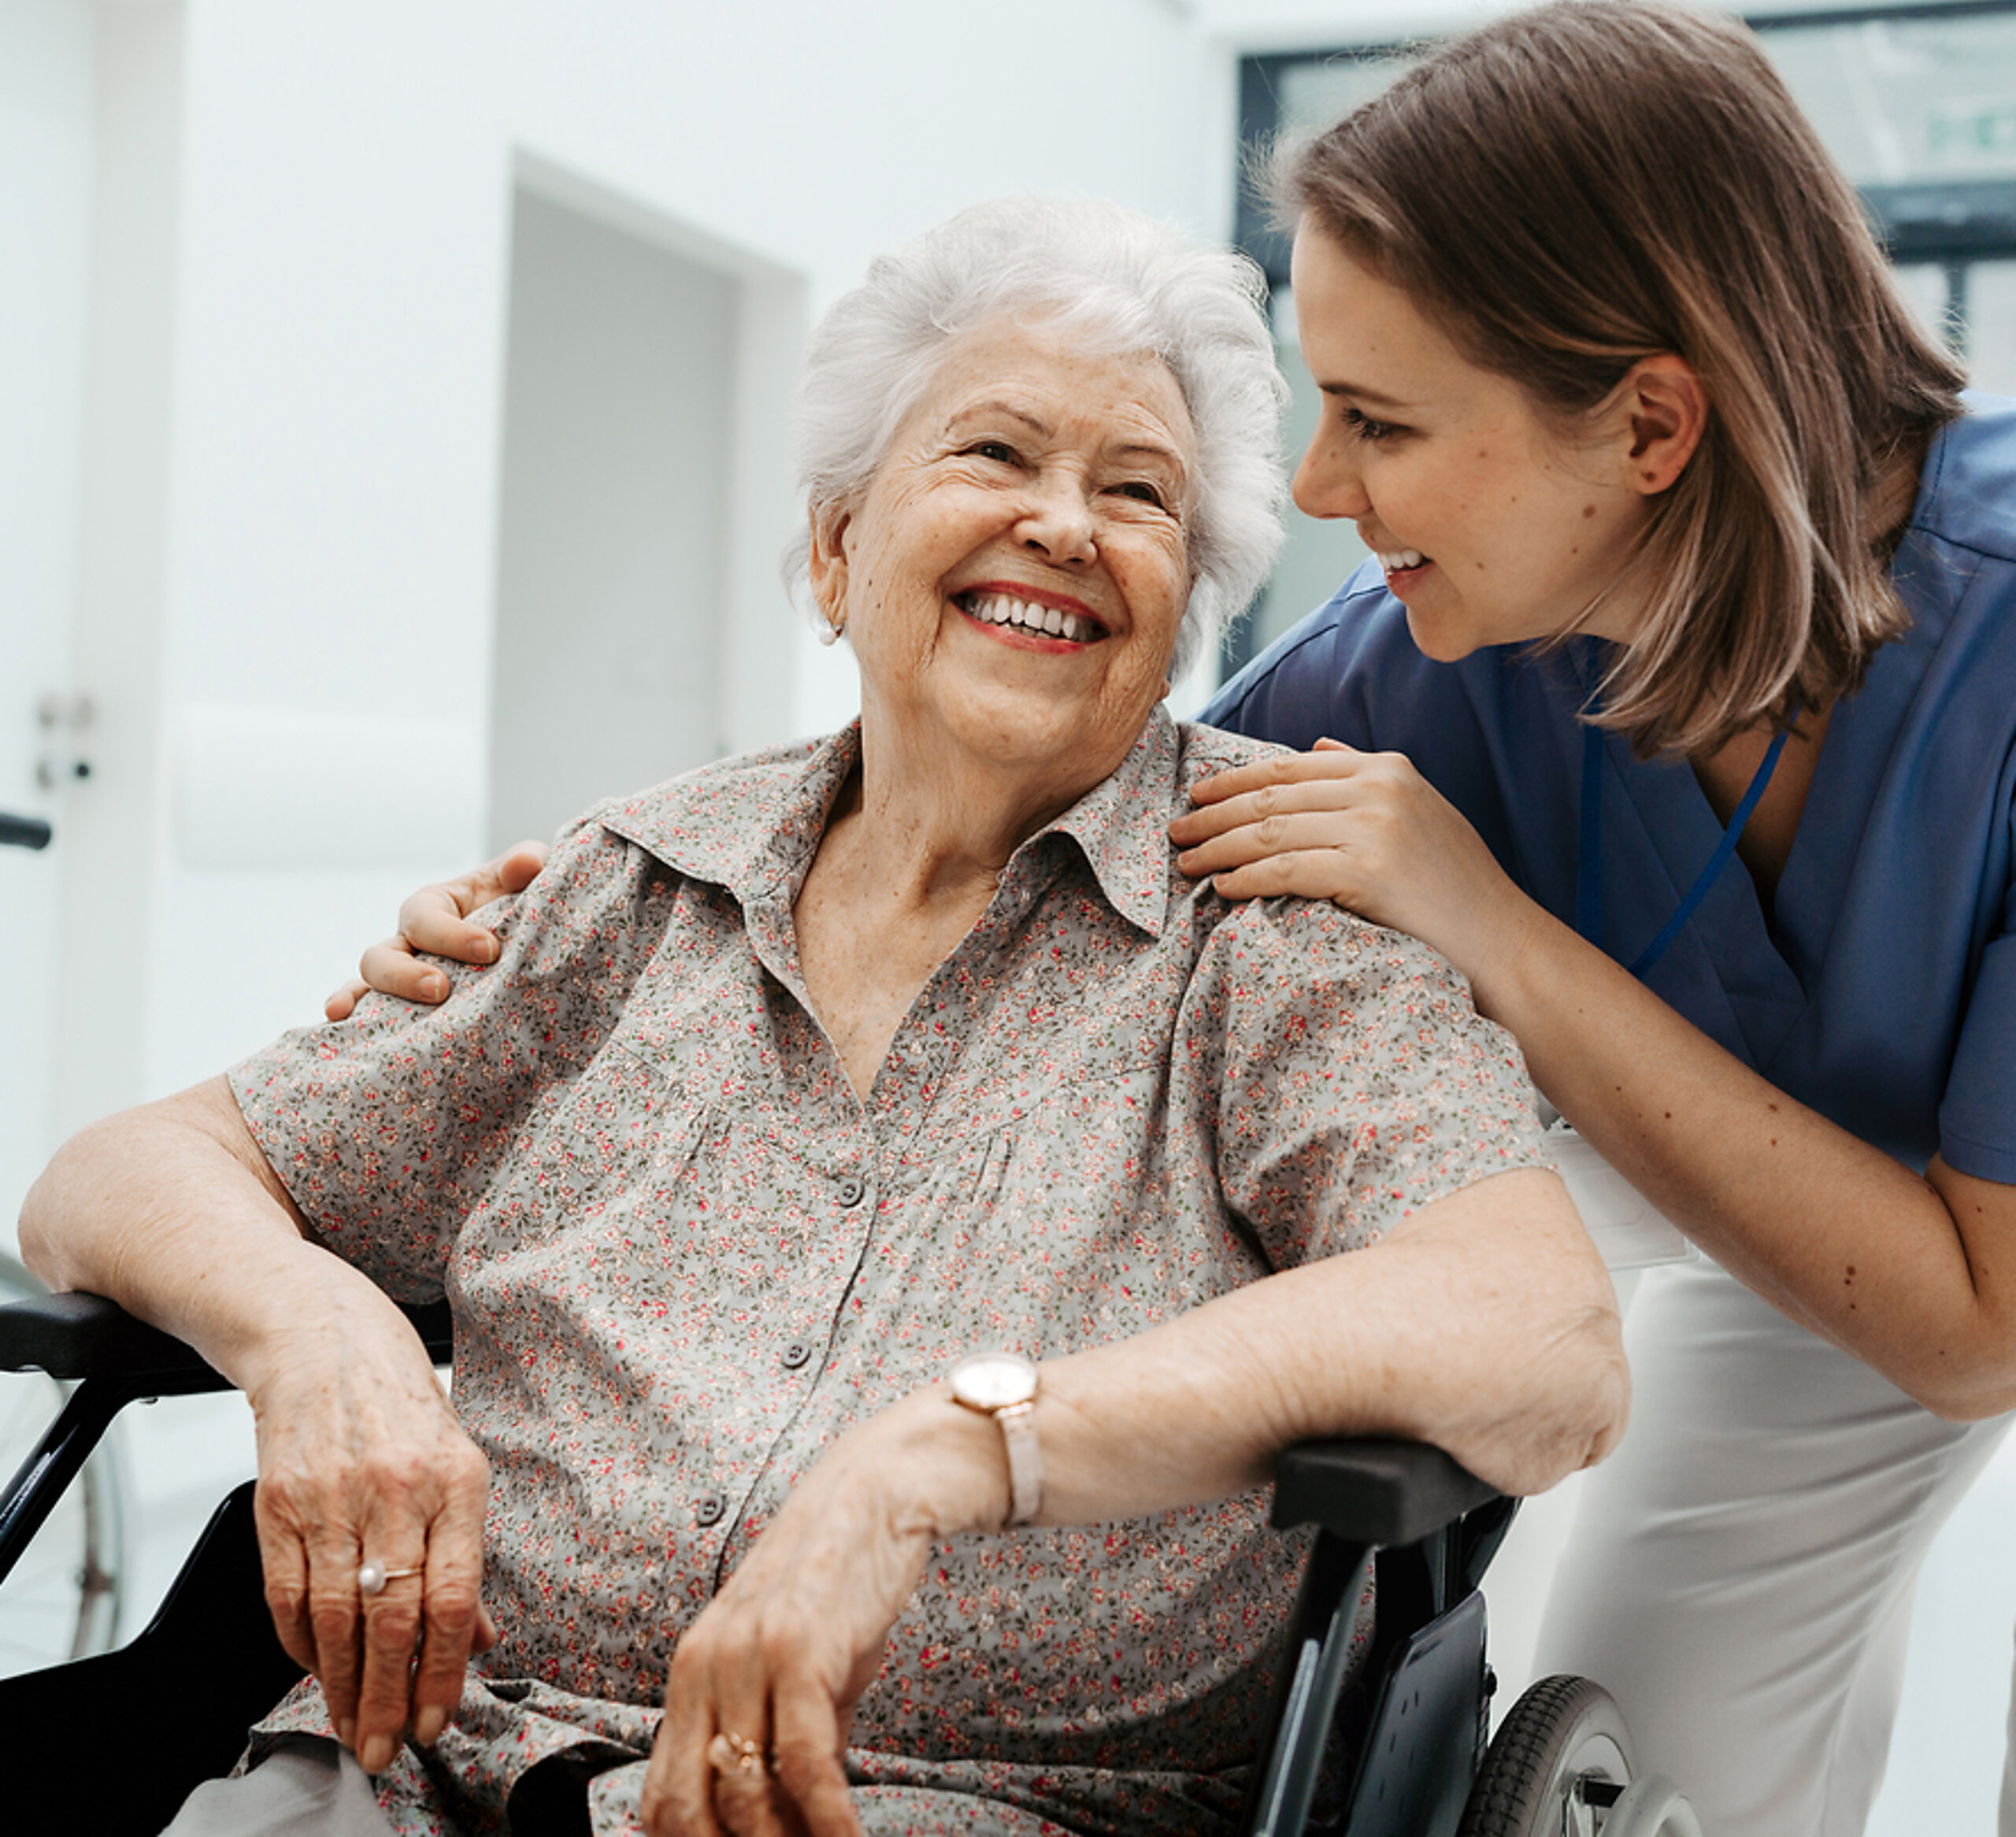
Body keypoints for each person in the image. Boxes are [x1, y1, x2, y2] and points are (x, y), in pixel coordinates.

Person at [22, 195, 1627, 1837]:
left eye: (1136, 492)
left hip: (957, 1803)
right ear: (837, 548)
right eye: (995, 454)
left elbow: (1541, 1331)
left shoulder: (1269, 922)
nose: (1063, 525)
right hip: (422, 1765)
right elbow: (117, 1174)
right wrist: (315, 1332)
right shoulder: (634, 888)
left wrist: (955, 1451)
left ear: (1182, 606)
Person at [1161, 0, 2016, 1837]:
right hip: (1806, 1190)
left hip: (1968, 1258)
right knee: (1662, 1759)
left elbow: (1969, 1328)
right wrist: (621, 886)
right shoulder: (1427, 652)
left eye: (1378, 420)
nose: (1316, 487)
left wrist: (1490, 928)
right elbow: (1072, 848)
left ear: (1645, 423)